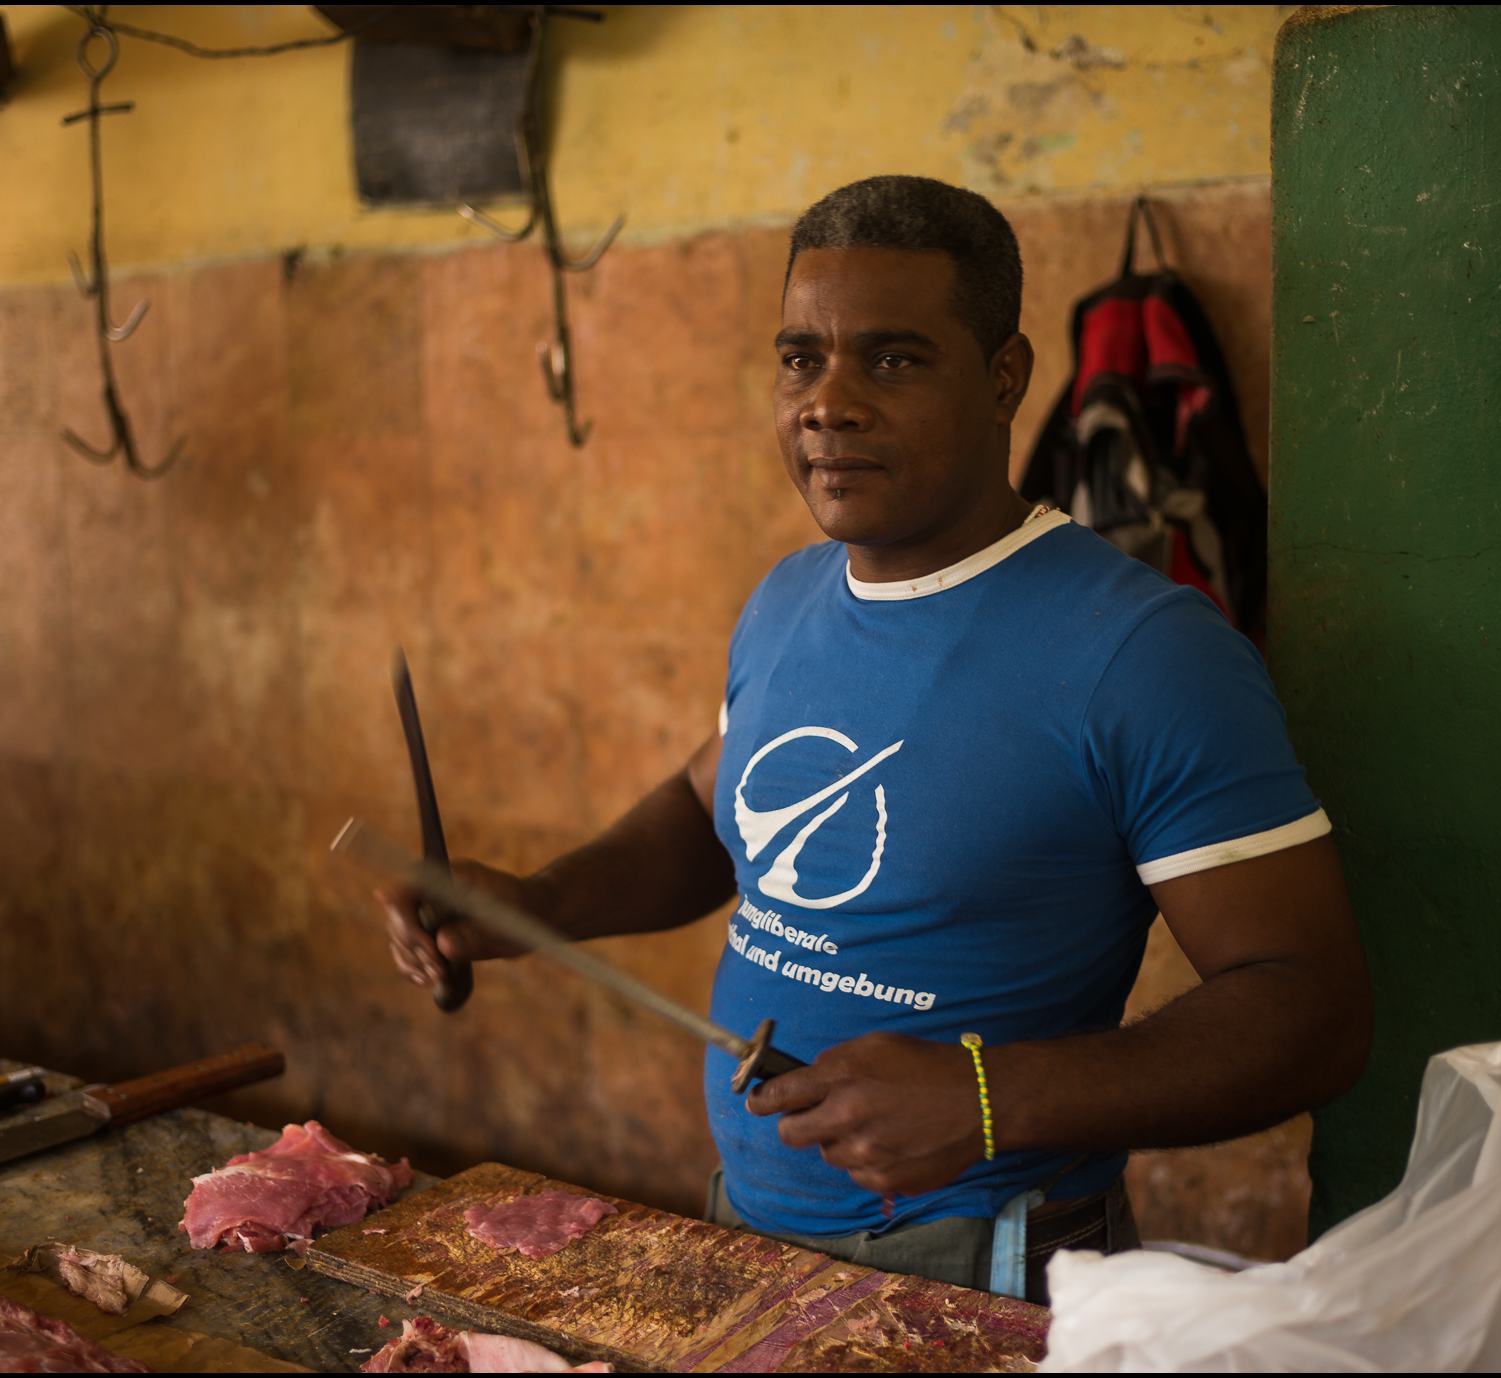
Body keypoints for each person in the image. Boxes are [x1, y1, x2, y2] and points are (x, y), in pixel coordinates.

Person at [379, 175, 1371, 1304]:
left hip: (982, 1270)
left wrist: (987, 1098)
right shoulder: (789, 599)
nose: (828, 402)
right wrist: (534, 903)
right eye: (800, 358)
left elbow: (1311, 1009)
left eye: (892, 359)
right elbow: (714, 814)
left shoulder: (1143, 652)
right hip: (745, 1231)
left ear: (1006, 378)